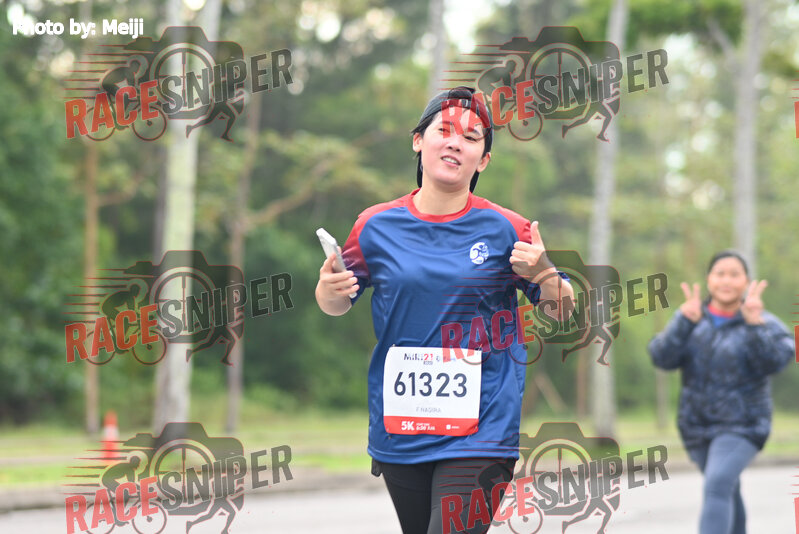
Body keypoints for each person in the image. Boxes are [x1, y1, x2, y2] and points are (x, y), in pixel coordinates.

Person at [316, 86, 573, 534]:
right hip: (402, 424)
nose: (456, 143)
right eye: (445, 131)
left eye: (471, 138)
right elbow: (337, 303)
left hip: (481, 429)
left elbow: (562, 310)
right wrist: (327, 287)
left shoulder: (507, 228)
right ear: (419, 140)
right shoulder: (375, 226)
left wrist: (546, 273)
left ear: (483, 160)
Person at [647, 250, 793, 534]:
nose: (727, 280)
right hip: (697, 428)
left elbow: (776, 362)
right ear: (709, 279)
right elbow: (661, 358)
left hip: (743, 426)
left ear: (746, 282)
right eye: (720, 273)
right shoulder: (691, 319)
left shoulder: (764, 322)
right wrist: (682, 322)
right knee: (726, 488)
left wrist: (754, 325)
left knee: (717, 484)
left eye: (734, 274)